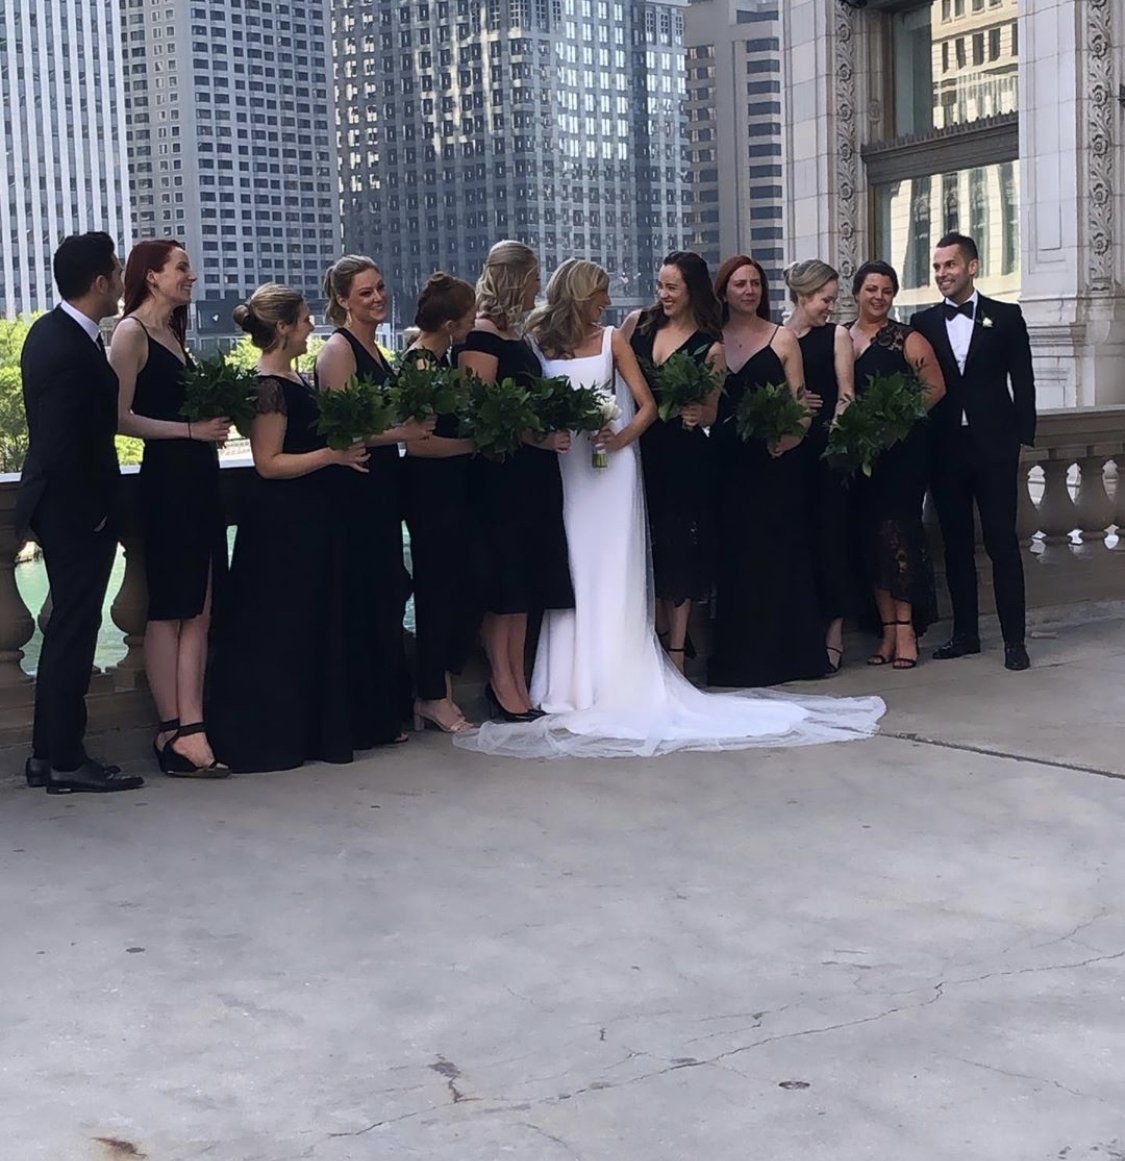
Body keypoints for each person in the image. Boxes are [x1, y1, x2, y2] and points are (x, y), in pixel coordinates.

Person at [453, 260, 886, 759]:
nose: (607, 300)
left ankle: (615, 676)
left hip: (609, 469)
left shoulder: (616, 336)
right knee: (569, 568)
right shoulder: (537, 339)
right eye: (600, 292)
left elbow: (647, 405)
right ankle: (563, 683)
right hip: (562, 470)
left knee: (613, 568)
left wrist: (618, 440)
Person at [208, 285, 374, 771]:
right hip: (280, 522)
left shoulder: (296, 380)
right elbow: (267, 462)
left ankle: (307, 731)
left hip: (310, 515)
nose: (310, 327)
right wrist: (333, 455)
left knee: (308, 619)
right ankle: (270, 736)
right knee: (279, 623)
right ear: (282, 327)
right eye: (303, 320)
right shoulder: (269, 387)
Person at [16, 233, 143, 794]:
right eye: (117, 273)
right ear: (101, 283)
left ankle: (47, 755)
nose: (121, 281)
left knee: (66, 631)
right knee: (73, 634)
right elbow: (68, 443)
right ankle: (66, 758)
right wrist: (93, 514)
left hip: (58, 505)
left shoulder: (54, 333)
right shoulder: (69, 344)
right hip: (75, 511)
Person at [112, 240, 229, 777]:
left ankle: (190, 723)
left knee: (198, 609)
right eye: (182, 267)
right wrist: (190, 430)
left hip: (196, 478)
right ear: (152, 276)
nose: (192, 276)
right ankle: (178, 728)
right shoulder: (131, 333)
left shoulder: (171, 334)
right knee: (171, 610)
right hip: (169, 483)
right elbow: (119, 417)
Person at [316, 255, 436, 746]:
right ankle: (363, 718)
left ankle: (386, 711)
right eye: (365, 292)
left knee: (386, 594)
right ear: (343, 300)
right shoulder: (337, 351)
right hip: (355, 489)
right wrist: (403, 432)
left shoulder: (379, 348)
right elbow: (343, 429)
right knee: (363, 597)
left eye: (380, 287)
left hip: (383, 486)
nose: (378, 297)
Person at [458, 240, 574, 721]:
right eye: (532, 279)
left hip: (534, 474)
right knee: (505, 582)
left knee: (526, 580)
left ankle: (518, 680)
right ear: (514, 279)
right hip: (501, 475)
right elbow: (479, 413)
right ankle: (501, 681)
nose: (535, 288)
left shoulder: (518, 334)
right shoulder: (481, 336)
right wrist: (535, 435)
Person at [910, 232, 1036, 671]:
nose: (943, 273)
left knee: (1003, 544)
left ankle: (1014, 641)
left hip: (994, 449)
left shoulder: (1006, 316)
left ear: (972, 266)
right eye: (938, 267)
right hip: (945, 450)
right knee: (956, 546)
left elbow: (1023, 379)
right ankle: (965, 634)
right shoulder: (922, 322)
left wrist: (1022, 438)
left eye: (950, 265)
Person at [708, 256, 827, 688]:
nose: (749, 291)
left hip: (775, 462)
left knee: (779, 554)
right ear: (723, 291)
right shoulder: (711, 339)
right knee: (735, 558)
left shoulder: (783, 338)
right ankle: (740, 661)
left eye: (755, 283)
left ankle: (788, 656)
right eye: (740, 284)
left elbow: (800, 402)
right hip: (726, 462)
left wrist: (791, 438)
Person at [622, 251, 725, 673]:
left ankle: (678, 654)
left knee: (679, 548)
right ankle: (651, 644)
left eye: (671, 287)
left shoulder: (711, 345)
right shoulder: (638, 325)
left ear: (692, 290)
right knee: (644, 546)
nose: (662, 294)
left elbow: (713, 412)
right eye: (660, 285)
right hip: (637, 451)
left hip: (683, 457)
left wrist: (699, 414)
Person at [848, 261, 946, 670]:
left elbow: (935, 388)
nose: (879, 298)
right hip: (860, 457)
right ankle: (886, 629)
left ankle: (906, 629)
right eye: (872, 289)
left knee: (899, 537)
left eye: (887, 291)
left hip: (901, 455)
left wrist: (896, 423)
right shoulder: (842, 338)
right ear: (857, 293)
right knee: (869, 540)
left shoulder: (908, 338)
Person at [401, 273, 481, 734]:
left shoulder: (441, 360)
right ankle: (433, 693)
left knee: (461, 584)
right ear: (452, 322)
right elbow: (420, 444)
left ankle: (440, 687)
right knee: (438, 590)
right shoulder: (421, 366)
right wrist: (473, 445)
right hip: (432, 490)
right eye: (469, 313)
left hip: (452, 488)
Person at [783, 259, 859, 672]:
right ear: (803, 296)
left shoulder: (838, 335)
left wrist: (836, 429)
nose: (830, 307)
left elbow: (847, 393)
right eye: (825, 299)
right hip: (786, 452)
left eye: (832, 299)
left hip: (826, 452)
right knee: (798, 541)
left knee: (832, 540)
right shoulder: (778, 335)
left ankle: (833, 633)